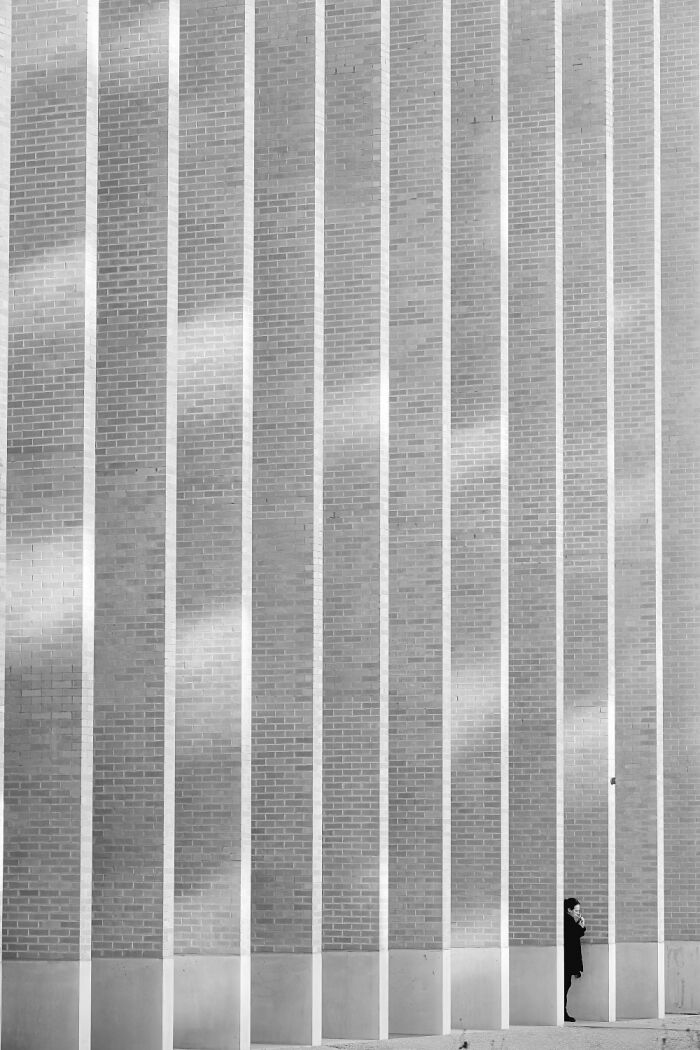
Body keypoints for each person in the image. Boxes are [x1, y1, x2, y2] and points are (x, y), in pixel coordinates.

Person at [564, 897, 586, 1022]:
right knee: (565, 985)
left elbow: (574, 933)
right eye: (576, 910)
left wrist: (579, 925)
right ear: (569, 910)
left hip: (568, 960)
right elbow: (574, 935)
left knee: (566, 985)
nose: (578, 913)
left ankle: (563, 1012)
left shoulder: (569, 920)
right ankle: (563, 1012)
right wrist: (581, 926)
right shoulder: (567, 920)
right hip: (568, 960)